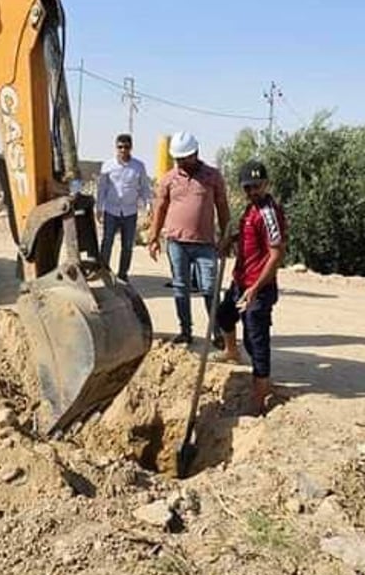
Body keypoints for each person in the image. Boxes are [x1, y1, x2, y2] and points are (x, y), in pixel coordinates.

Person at [215, 160, 287, 414]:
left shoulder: (269, 213)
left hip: (258, 288)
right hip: (241, 281)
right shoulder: (250, 209)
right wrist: (230, 241)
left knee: (256, 340)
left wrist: (255, 288)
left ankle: (259, 397)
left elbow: (276, 254)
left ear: (266, 184)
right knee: (224, 314)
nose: (252, 191)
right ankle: (231, 352)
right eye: (248, 187)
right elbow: (249, 237)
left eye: (257, 186)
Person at [146, 131, 230, 344]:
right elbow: (160, 209)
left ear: (196, 153)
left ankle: (217, 332)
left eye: (185, 158)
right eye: (178, 159)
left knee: (210, 289)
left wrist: (226, 237)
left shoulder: (212, 176)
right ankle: (185, 331)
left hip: (206, 244)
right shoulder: (168, 179)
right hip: (177, 244)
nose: (182, 162)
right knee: (180, 288)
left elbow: (222, 207)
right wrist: (153, 237)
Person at [96, 133, 152, 281]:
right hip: (111, 210)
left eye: (126, 147)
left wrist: (148, 206)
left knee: (127, 246)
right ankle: (104, 271)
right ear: (116, 147)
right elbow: (102, 189)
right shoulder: (107, 166)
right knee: (107, 242)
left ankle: (122, 274)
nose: (123, 150)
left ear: (131, 148)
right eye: (120, 147)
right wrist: (99, 208)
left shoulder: (138, 167)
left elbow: (144, 188)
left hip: (130, 212)